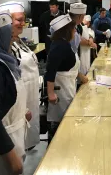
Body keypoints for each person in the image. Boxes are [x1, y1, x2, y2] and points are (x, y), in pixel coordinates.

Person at [0, 1, 40, 151]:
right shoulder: (3, 48)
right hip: (14, 109)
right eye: (18, 20)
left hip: (28, 97)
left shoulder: (19, 41)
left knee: (25, 143)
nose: (23, 23)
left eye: (24, 19)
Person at [0, 10, 26, 175]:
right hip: (1, 151)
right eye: (9, 33)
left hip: (15, 136)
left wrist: (22, 112)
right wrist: (10, 155)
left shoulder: (5, 60)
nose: (13, 36)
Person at [45, 15, 78, 144]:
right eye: (73, 29)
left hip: (66, 84)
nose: (75, 31)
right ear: (66, 30)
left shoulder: (64, 43)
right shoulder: (59, 45)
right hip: (60, 88)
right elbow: (50, 70)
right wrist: (51, 93)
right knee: (61, 120)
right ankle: (57, 146)